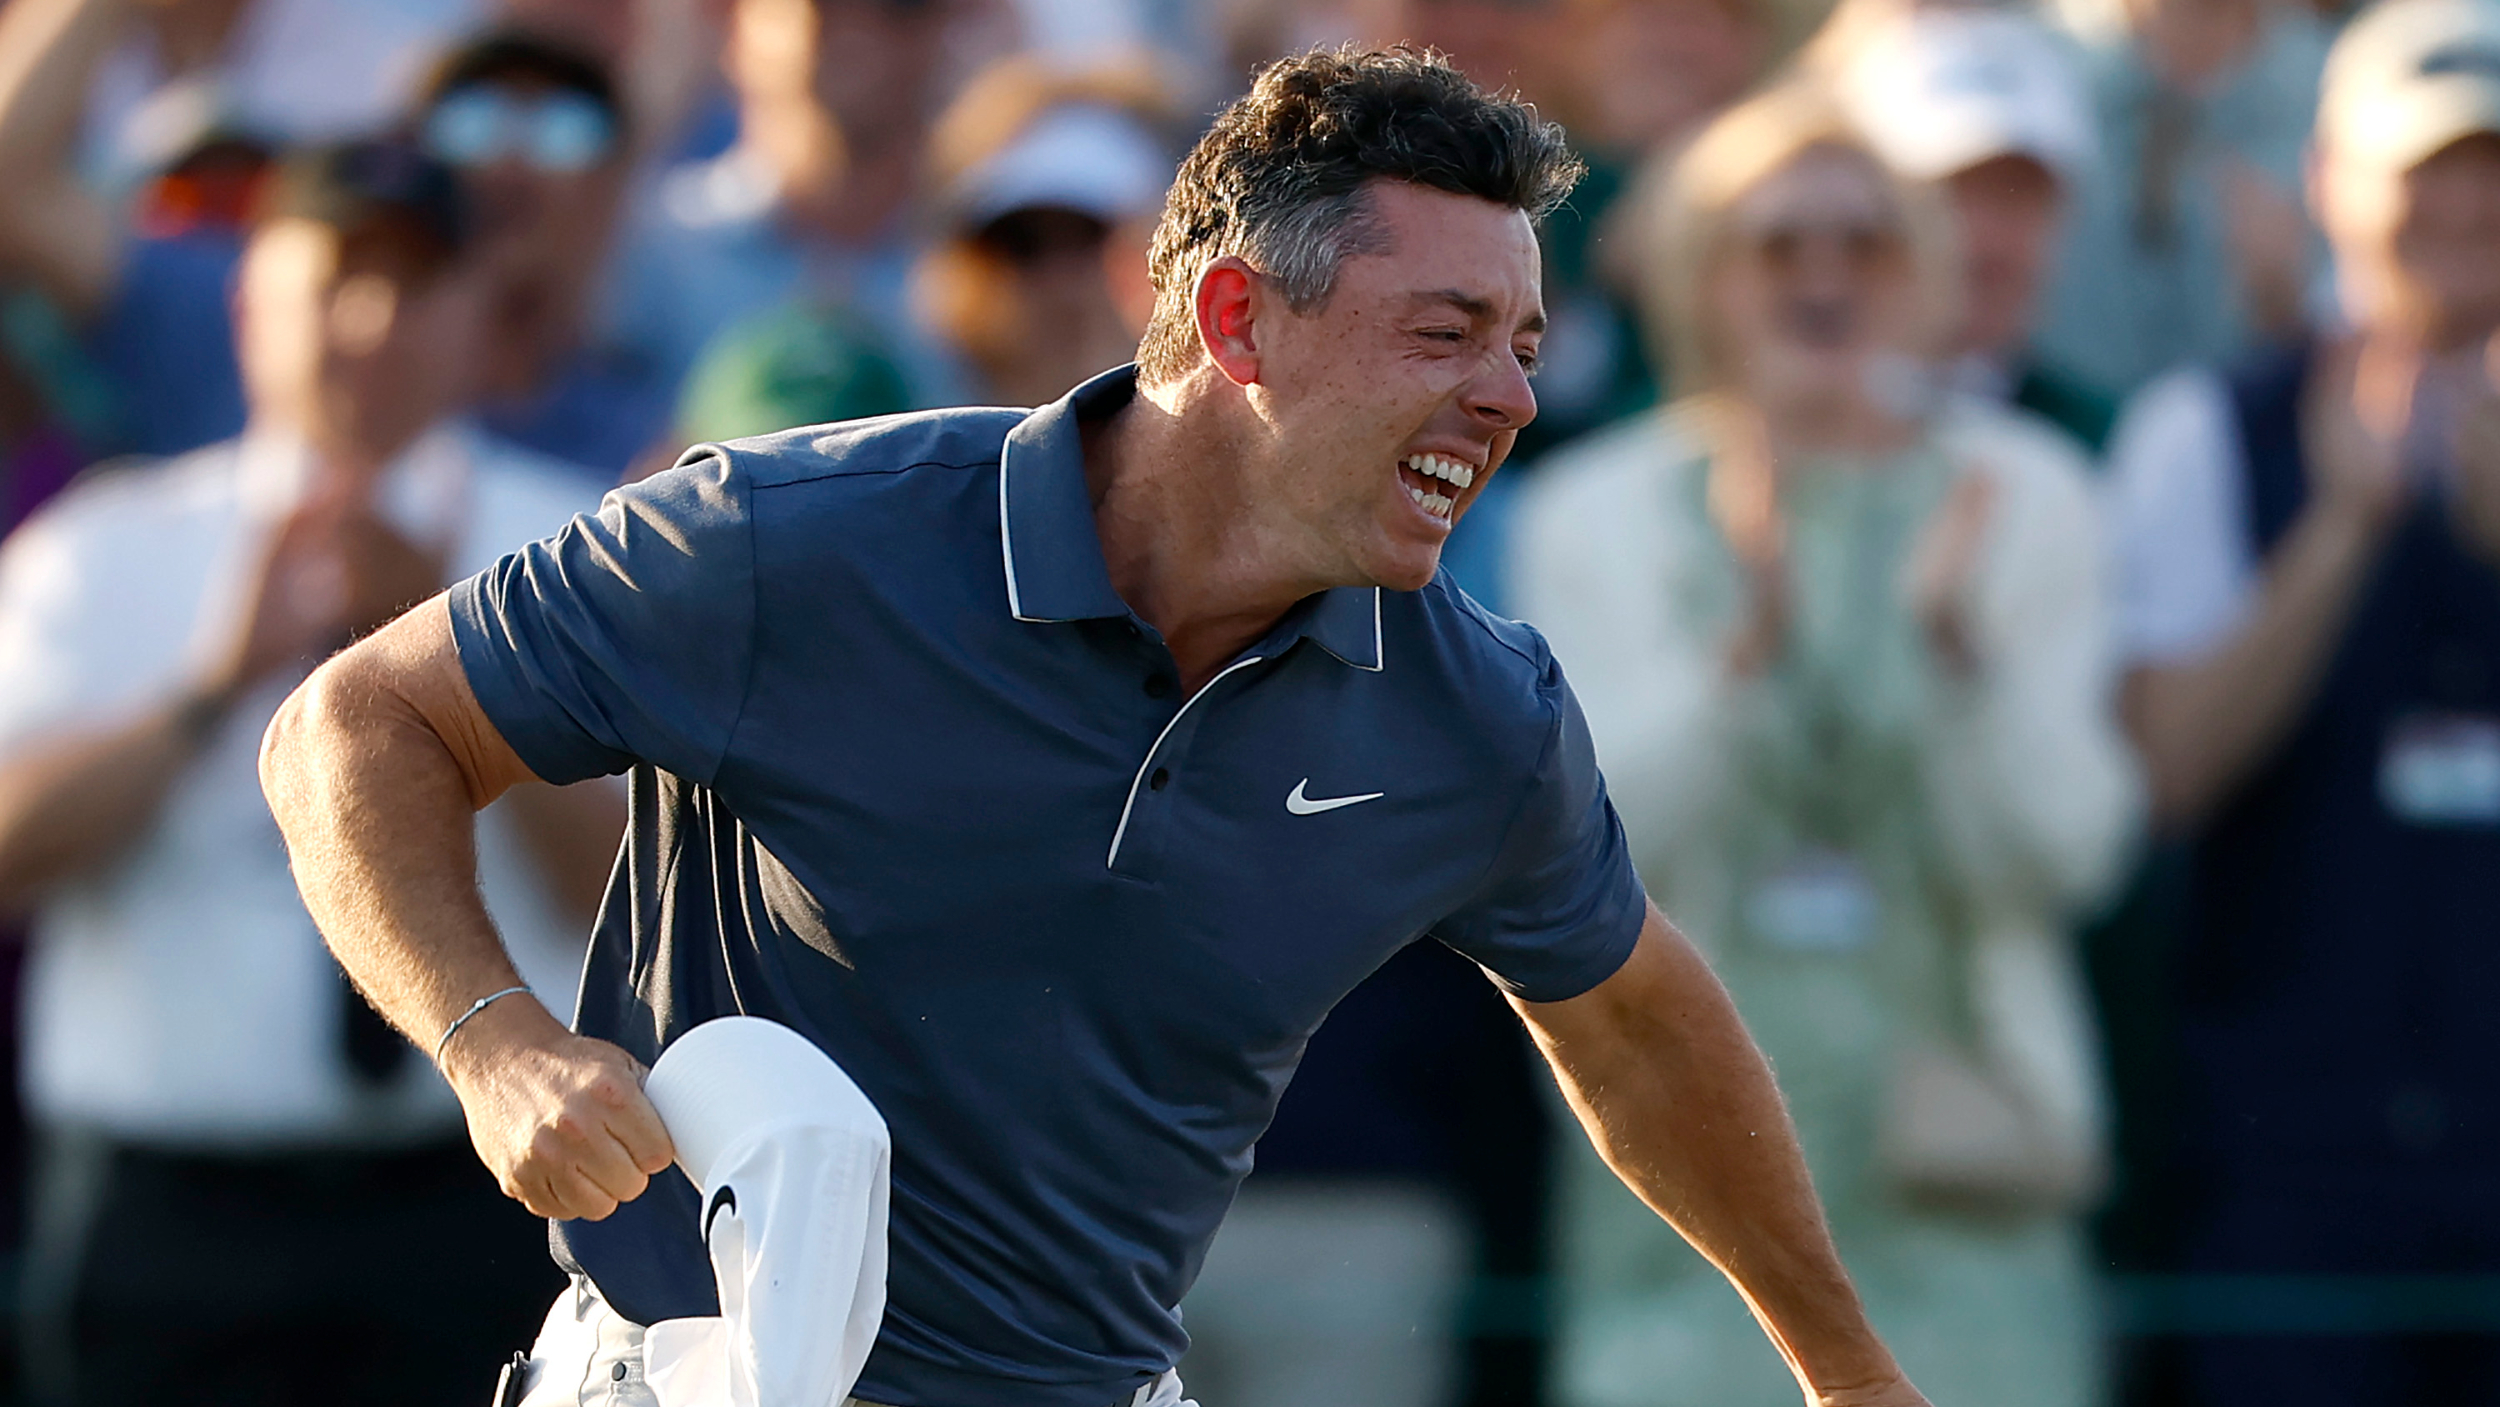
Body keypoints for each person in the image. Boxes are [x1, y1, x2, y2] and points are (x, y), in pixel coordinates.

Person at [258, 48, 1937, 1407]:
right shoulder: (793, 542)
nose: (1509, 396)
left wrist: (1848, 1371)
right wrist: (491, 1035)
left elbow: (1636, 1018)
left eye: (1523, 344)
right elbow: (356, 719)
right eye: (1446, 333)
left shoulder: (1479, 712)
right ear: (1237, 322)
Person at [1511, 86, 2139, 1407]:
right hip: (1679, 1199)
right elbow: (1572, 857)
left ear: (1926, 276)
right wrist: (1736, 659)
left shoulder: (2023, 491)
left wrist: (1955, 657)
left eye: (1866, 242)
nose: (1823, 276)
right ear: (1703, 277)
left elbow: (2071, 853)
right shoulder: (1592, 510)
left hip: (1964, 1182)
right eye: (1777, 243)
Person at [0, 139, 622, 1407]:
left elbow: (636, 890)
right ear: (250, 303)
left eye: (418, 280)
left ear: (481, 314)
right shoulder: (106, 549)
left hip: (479, 1201)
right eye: (338, 273)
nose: (374, 319)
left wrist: (467, 681)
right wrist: (209, 687)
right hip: (162, 1217)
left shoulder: (585, 546)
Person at [2101, 0, 2500, 1398]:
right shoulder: (2207, 427)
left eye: (2491, 173)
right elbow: (2164, 776)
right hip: (2288, 1179)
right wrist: (2339, 532)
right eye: (2426, 171)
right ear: (2330, 178)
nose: (2463, 210)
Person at [606, 0, 985, 414]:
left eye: (901, 7)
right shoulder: (636, 248)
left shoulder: (1002, 256)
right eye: (821, 7)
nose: (857, 32)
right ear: (734, 25)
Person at [1825, 2, 2122, 454]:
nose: (1988, 240)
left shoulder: (2102, 440)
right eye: (1948, 195)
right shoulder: (1786, 433)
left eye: (2018, 196)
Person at [2032, 0, 2328, 396]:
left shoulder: (2316, 93)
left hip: (2231, 406)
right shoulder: (2050, 71)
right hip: (2061, 397)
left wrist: (2281, 297)